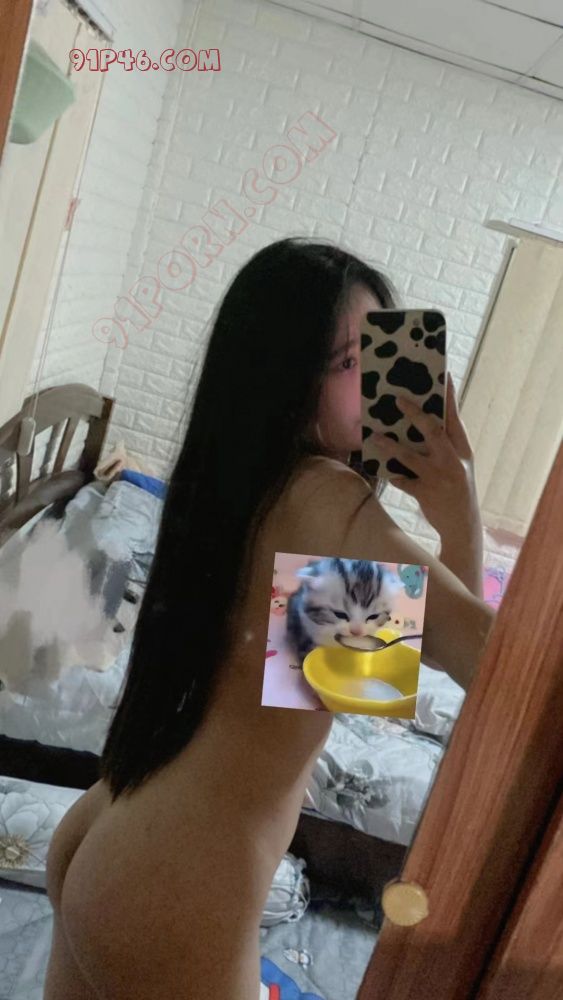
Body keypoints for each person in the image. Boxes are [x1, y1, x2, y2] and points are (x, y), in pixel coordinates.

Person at [44, 237, 494, 999]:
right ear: (286, 378)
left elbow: (358, 673)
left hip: (117, 826)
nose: (374, 381)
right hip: (178, 881)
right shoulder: (326, 499)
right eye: (347, 362)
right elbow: (494, 669)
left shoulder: (250, 489)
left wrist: (453, 523)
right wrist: (461, 508)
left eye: (378, 352)